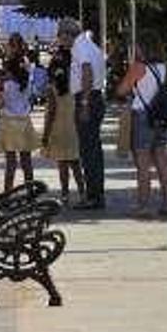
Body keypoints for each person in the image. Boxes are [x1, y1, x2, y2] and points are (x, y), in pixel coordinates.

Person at [115, 43, 167, 217]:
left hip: (142, 116)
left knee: (143, 164)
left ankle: (143, 205)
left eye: (138, 48)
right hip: (160, 116)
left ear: (144, 49)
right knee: (162, 161)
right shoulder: (164, 67)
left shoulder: (139, 67)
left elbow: (122, 90)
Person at [63, 20, 108, 210]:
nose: (59, 40)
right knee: (93, 150)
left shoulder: (80, 47)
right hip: (95, 97)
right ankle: (96, 193)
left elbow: (87, 72)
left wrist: (84, 103)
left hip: (87, 97)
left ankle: (93, 196)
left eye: (60, 35)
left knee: (88, 151)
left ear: (68, 34)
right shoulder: (90, 45)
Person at [41, 46, 84, 205]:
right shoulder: (76, 86)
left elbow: (51, 113)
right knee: (75, 163)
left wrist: (45, 135)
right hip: (73, 128)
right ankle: (82, 191)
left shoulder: (52, 89)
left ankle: (65, 194)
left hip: (58, 129)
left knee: (62, 164)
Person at [0, 56, 40, 191]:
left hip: (9, 123)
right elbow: (33, 100)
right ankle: (30, 191)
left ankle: (8, 190)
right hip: (25, 123)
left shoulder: (6, 85)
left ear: (10, 71)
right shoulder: (27, 84)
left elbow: (0, 103)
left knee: (11, 162)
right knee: (26, 161)